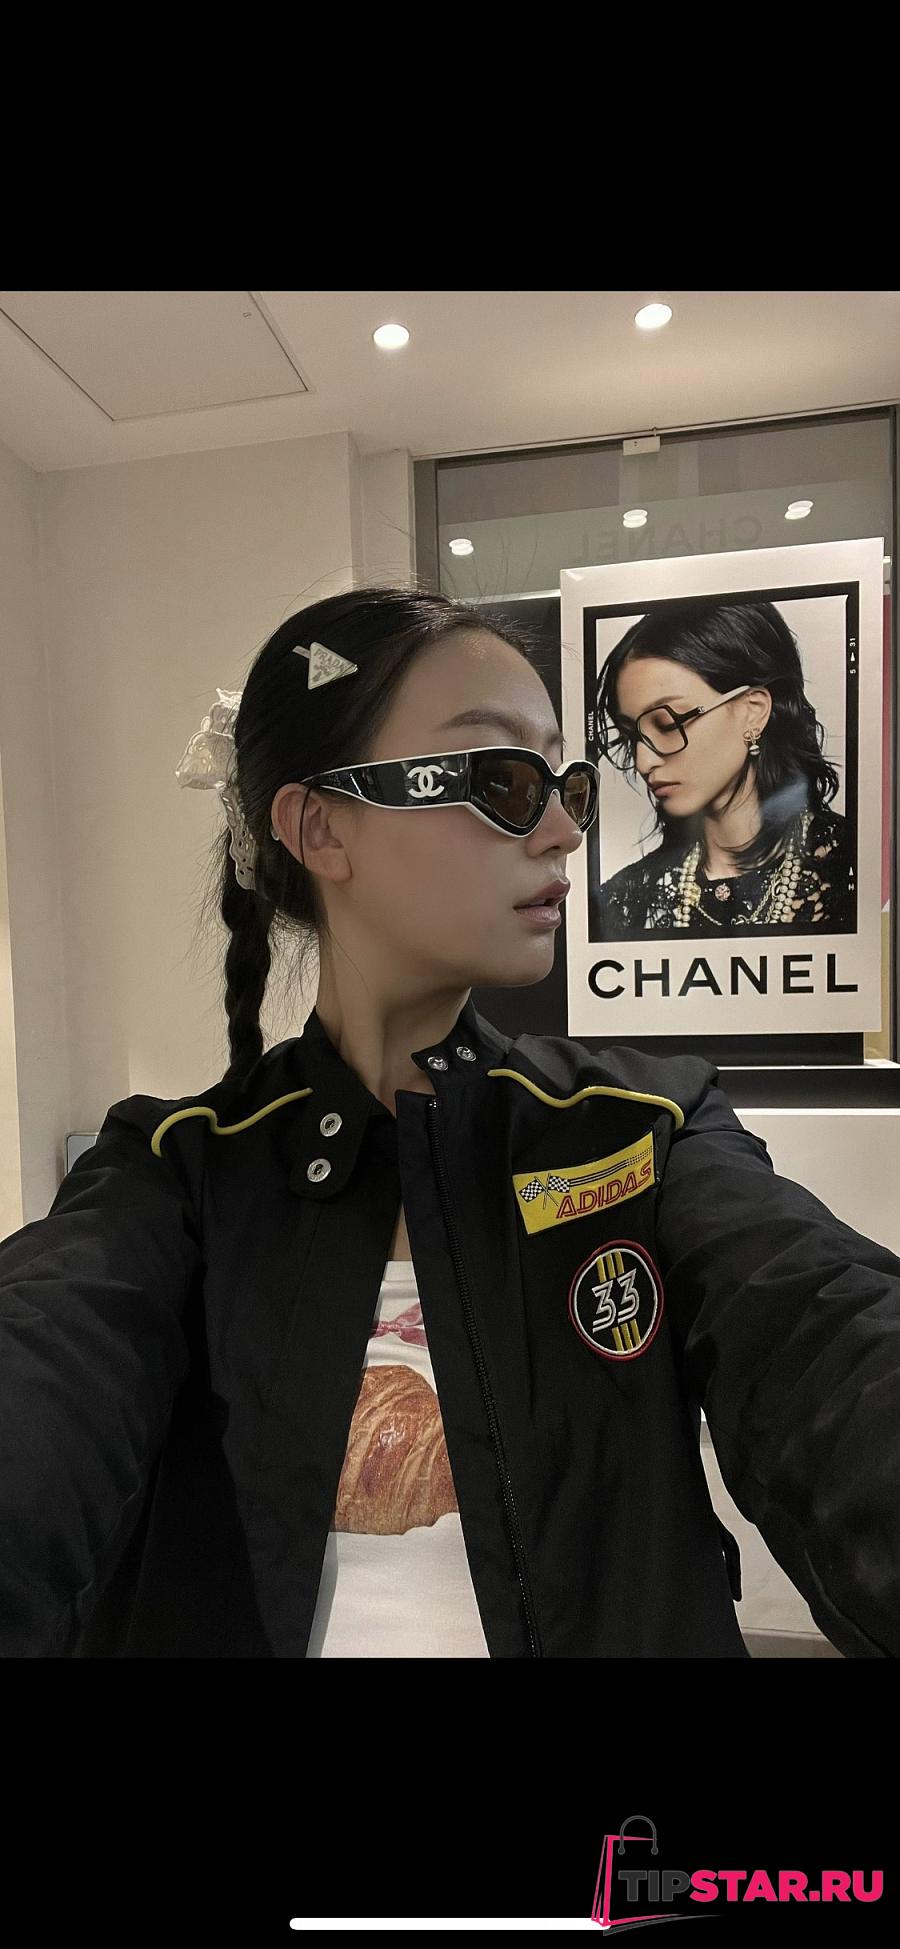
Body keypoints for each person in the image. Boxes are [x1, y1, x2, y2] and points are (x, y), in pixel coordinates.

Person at [0, 584, 896, 1659]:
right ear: (319, 825)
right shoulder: (172, 1169)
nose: (565, 830)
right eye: (502, 780)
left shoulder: (640, 1128)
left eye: (565, 782)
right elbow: (43, 1368)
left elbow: (824, 1328)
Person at [594, 598, 855, 936]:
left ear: (753, 711)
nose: (644, 762)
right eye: (632, 735)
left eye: (669, 724)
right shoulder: (625, 901)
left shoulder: (855, 868)